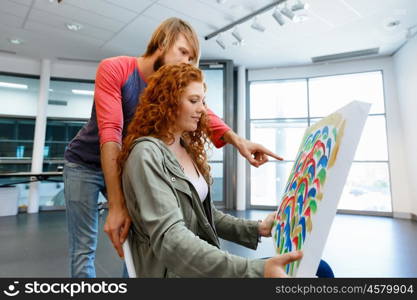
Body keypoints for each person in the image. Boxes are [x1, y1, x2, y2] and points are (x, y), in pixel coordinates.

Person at [63, 17, 282, 278]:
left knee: (137, 238)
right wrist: (118, 205)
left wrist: (239, 141)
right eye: (183, 52)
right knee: (84, 248)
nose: (187, 62)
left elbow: (203, 111)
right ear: (162, 43)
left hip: (126, 163)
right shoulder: (116, 68)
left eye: (192, 58)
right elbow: (111, 135)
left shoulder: (172, 92)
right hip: (85, 163)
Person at [119, 63, 303, 277]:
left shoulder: (184, 147)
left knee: (319, 268)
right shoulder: (146, 154)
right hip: (175, 273)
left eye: (203, 101)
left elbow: (207, 216)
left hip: (199, 266)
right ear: (166, 102)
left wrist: (258, 228)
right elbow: (173, 241)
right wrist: (255, 271)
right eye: (193, 101)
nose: (203, 109)